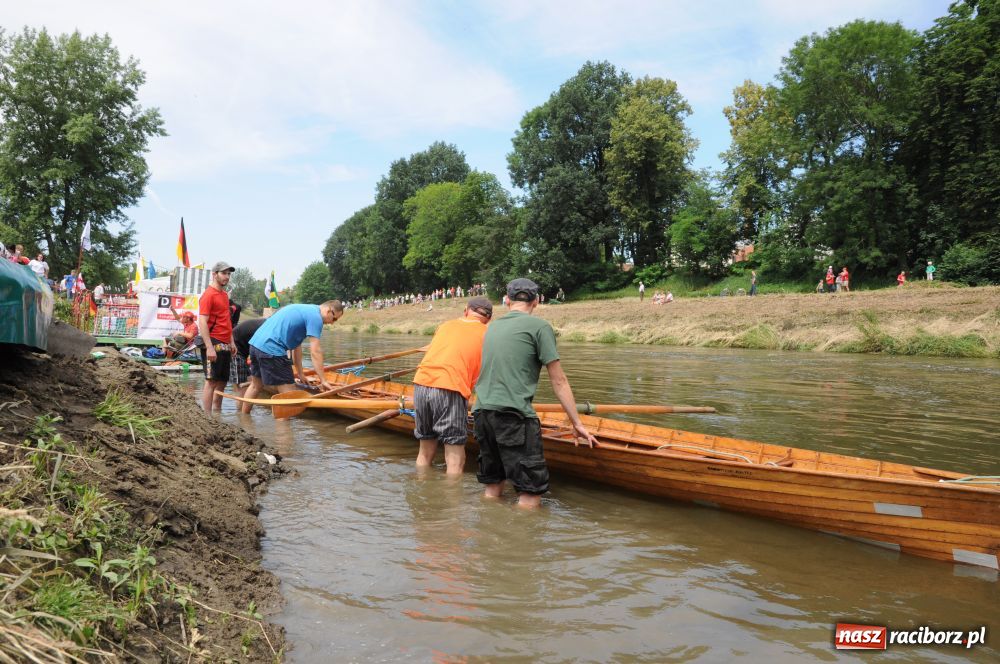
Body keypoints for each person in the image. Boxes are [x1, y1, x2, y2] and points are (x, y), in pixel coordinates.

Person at [473, 278, 598, 509]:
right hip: (513, 416)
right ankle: (522, 543)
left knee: (492, 486)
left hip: (482, 413)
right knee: (530, 492)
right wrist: (577, 423)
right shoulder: (540, 327)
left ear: (507, 301)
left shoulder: (492, 327)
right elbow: (559, 381)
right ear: (537, 301)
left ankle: (486, 539)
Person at [413, 296, 492, 475]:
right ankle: (451, 501)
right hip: (450, 386)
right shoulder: (488, 333)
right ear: (488, 319)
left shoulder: (445, 326)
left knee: (424, 451)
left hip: (421, 382)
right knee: (455, 459)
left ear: (466, 311)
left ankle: (420, 489)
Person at [244, 301, 344, 402]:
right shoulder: (316, 318)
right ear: (328, 311)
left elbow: (297, 347)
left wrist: (300, 373)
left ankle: (244, 417)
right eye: (334, 319)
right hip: (272, 349)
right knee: (289, 396)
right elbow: (315, 351)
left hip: (255, 345)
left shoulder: (305, 310)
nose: (332, 323)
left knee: (255, 386)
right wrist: (323, 380)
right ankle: (282, 417)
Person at [197, 261, 236, 413]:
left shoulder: (224, 295)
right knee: (211, 381)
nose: (227, 277)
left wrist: (232, 341)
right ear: (214, 274)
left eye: (229, 274)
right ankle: (207, 417)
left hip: (225, 342)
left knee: (222, 381)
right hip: (213, 342)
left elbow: (226, 320)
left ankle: (217, 413)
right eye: (224, 273)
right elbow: (202, 322)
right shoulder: (208, 295)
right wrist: (209, 348)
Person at [231, 316, 268, 410]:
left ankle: (243, 415)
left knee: (249, 383)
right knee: (241, 387)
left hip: (241, 350)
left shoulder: (266, 323)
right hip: (235, 351)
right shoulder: (268, 326)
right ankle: (241, 415)